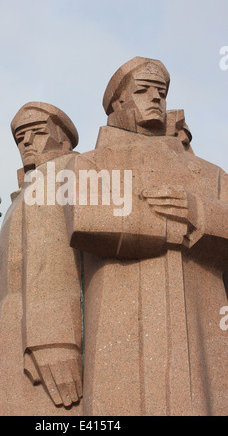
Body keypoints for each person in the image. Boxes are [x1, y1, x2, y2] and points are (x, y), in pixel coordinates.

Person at [64, 57, 228, 416]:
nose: (155, 97)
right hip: (119, 329)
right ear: (117, 105)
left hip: (200, 331)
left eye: (162, 92)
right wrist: (174, 228)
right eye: (142, 90)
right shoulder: (90, 163)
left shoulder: (209, 173)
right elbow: (90, 220)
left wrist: (197, 212)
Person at [0, 102, 82, 416]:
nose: (25, 142)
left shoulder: (70, 174)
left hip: (50, 341)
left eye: (36, 132)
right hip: (15, 336)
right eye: (20, 137)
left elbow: (80, 262)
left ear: (64, 138)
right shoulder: (22, 194)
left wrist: (54, 337)